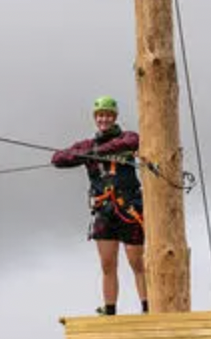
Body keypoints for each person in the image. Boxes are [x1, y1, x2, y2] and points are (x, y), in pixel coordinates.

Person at [50, 95, 146, 314]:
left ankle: (148, 307)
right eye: (101, 115)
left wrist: (97, 153)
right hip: (104, 210)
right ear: (96, 118)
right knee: (107, 264)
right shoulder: (87, 145)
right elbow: (57, 159)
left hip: (129, 207)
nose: (104, 119)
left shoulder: (126, 138)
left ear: (114, 117)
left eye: (108, 115)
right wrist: (82, 154)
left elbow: (133, 142)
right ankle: (110, 309)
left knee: (136, 262)